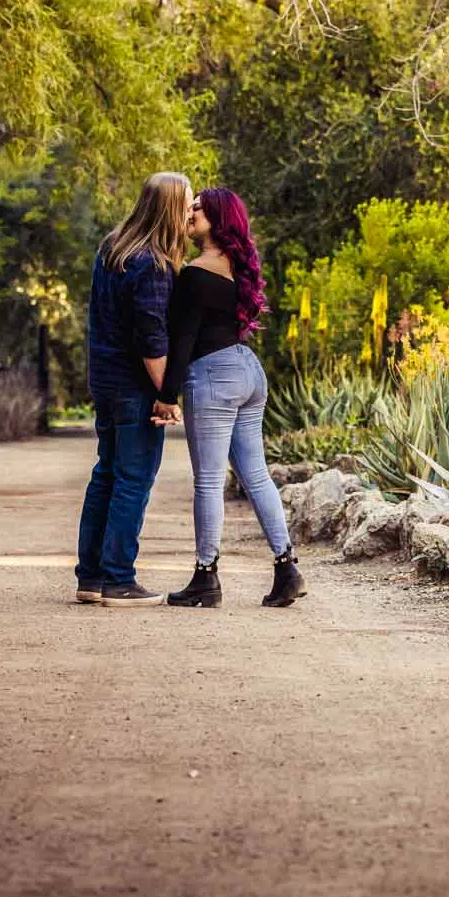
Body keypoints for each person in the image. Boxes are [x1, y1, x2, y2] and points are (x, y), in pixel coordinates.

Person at [150, 187, 303, 609]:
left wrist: (166, 395)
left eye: (199, 207)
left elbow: (183, 340)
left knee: (210, 480)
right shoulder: (241, 267)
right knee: (256, 474)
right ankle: (287, 568)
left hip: (215, 374)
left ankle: (205, 577)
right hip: (248, 369)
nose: (191, 211)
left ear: (219, 219)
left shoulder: (196, 273)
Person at [74, 172, 191, 607]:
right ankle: (119, 579)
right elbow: (151, 339)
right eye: (187, 204)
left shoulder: (113, 249)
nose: (190, 213)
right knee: (133, 479)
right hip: (133, 385)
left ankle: (90, 577)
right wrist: (168, 394)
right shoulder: (154, 264)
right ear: (169, 208)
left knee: (106, 472)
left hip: (103, 378)